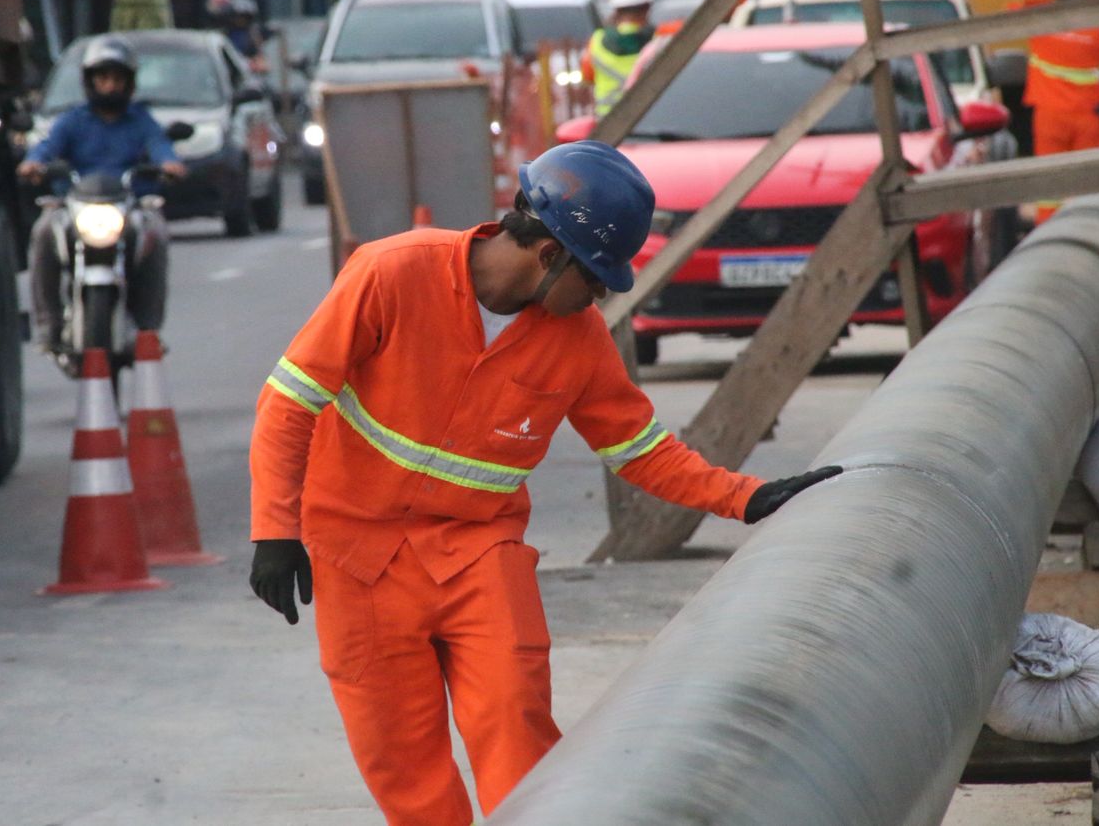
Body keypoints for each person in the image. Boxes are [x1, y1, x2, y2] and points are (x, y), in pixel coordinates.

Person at [246, 140, 842, 826]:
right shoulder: (391, 273)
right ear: (549, 252)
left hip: (478, 554)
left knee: (518, 734)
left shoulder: (578, 339)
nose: (596, 298)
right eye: (593, 279)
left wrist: (745, 497)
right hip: (358, 558)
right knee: (404, 767)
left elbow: (639, 449)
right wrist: (274, 533)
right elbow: (289, 403)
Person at [16, 35, 187, 352]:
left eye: (117, 78)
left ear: (129, 83)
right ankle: (48, 325)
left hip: (129, 206)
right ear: (89, 81)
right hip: (75, 206)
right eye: (103, 78)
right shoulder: (72, 121)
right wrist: (34, 164)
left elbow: (160, 145)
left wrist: (170, 164)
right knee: (42, 234)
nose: (110, 85)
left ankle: (148, 329)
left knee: (157, 235)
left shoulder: (141, 120)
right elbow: (47, 148)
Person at [1024, 0, 1099, 221]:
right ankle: (1087, 228)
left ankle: (1046, 233)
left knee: (1050, 184)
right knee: (1088, 183)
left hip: (1049, 116)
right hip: (1088, 117)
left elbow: (1012, 7)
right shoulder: (1098, 29)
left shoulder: (1038, 17)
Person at [582, 0, 656, 118]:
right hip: (650, 121)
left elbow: (587, 76)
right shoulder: (658, 40)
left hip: (608, 126)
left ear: (615, 9)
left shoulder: (597, 41)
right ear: (647, 7)